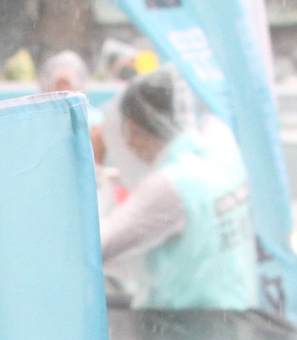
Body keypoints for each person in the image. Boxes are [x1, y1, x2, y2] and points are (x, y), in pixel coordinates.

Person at [99, 70, 259, 313]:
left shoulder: (171, 184)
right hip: (237, 315)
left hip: (189, 329)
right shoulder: (220, 160)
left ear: (132, 128)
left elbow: (101, 245)